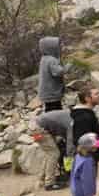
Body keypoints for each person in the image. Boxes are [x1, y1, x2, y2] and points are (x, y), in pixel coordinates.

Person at [36, 35, 66, 164]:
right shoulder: (52, 60)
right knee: (55, 114)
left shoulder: (44, 59)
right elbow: (57, 72)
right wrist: (68, 67)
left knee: (49, 112)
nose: (60, 48)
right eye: (58, 46)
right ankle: (56, 135)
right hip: (52, 94)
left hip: (46, 94)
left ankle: (51, 134)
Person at [33, 106, 73, 190]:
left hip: (38, 127)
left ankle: (42, 179)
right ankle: (49, 183)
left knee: (49, 154)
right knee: (54, 154)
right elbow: (70, 141)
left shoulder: (68, 114)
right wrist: (70, 156)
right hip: (42, 129)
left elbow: (65, 136)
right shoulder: (71, 121)